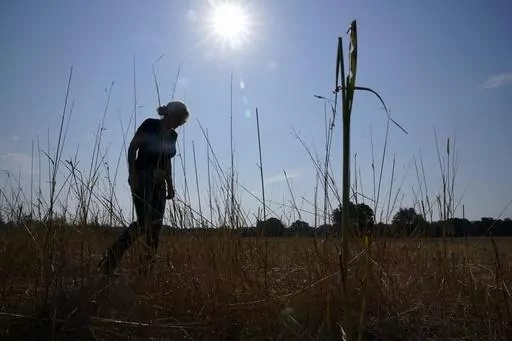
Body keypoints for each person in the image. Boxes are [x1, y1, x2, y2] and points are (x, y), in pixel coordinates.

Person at [98, 100, 189, 275]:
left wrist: (170, 185)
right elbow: (133, 148)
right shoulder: (150, 125)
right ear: (170, 114)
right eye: (179, 119)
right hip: (142, 178)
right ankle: (111, 259)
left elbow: (166, 160)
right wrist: (132, 173)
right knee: (144, 223)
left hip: (159, 184)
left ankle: (145, 271)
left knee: (156, 226)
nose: (180, 124)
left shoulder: (172, 136)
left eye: (182, 121)